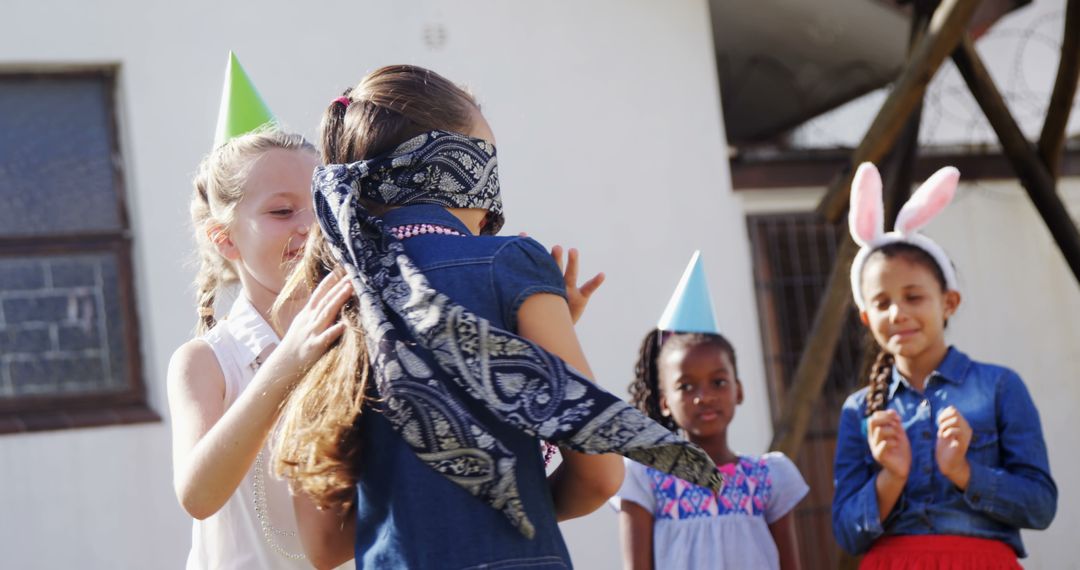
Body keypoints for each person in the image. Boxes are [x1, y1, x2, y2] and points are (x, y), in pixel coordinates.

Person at [270, 64, 722, 569]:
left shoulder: (322, 306)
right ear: (449, 170)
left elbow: (325, 546)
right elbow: (601, 475)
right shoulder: (512, 265)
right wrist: (512, 507)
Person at [166, 53, 354, 569]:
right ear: (224, 239)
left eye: (321, 207)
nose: (310, 227)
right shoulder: (205, 362)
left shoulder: (357, 334)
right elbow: (198, 494)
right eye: (280, 210)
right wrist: (287, 362)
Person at [832, 163, 1057, 568]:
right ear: (866, 317)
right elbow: (847, 533)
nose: (897, 313)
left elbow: (1040, 507)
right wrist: (891, 478)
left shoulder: (1000, 387)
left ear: (948, 302)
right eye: (882, 303)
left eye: (913, 296)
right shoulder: (859, 410)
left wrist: (964, 471)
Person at [614, 251, 807, 570]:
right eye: (686, 386)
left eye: (718, 382)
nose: (703, 397)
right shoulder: (645, 478)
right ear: (664, 401)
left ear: (739, 390)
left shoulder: (768, 478)